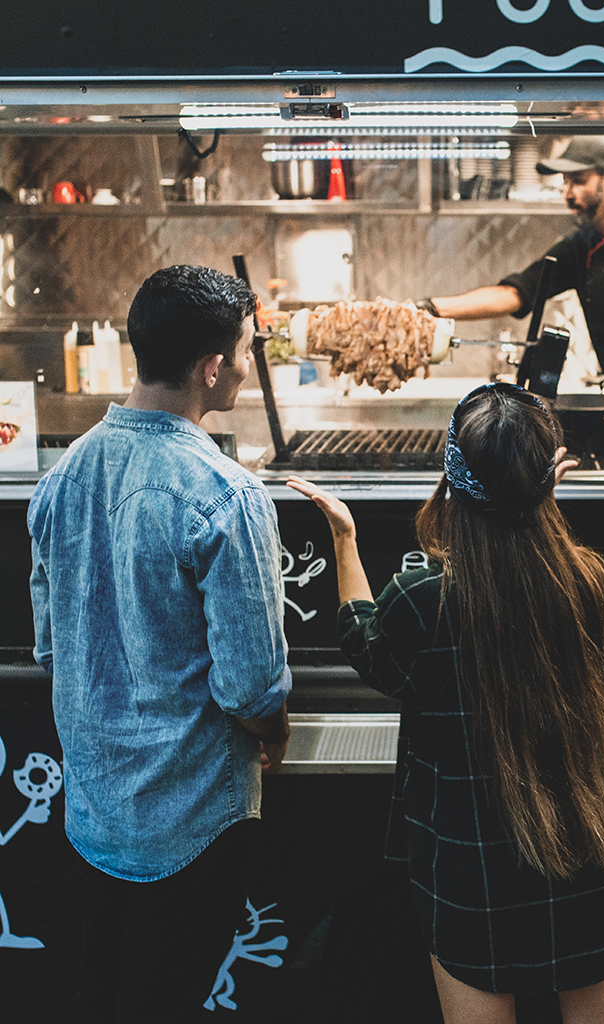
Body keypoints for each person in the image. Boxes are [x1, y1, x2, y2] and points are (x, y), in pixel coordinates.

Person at [288, 382, 604, 1023]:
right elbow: (531, 559)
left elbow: (366, 645)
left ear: (450, 480)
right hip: (584, 853)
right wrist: (534, 495)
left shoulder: (421, 600)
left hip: (472, 874)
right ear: (543, 483)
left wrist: (344, 540)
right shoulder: (585, 580)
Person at [27, 264, 292, 1024]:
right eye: (243, 351)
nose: (246, 366)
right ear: (213, 368)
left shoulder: (62, 477)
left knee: (99, 996)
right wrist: (273, 734)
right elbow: (251, 688)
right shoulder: (225, 494)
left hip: (94, 817)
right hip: (190, 827)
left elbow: (52, 649)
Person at [420, 136, 604, 433]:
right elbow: (517, 293)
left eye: (578, 181)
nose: (568, 194)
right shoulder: (581, 247)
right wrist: (430, 308)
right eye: (565, 183)